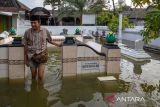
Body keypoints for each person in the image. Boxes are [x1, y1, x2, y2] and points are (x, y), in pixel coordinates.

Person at [23, 15, 62, 82]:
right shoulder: (27, 32)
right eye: (31, 23)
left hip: (42, 56)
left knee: (40, 76)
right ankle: (34, 90)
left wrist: (58, 45)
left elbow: (49, 40)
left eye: (34, 23)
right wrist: (25, 59)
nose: (33, 24)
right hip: (31, 57)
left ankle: (41, 89)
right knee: (33, 76)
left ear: (39, 22)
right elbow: (25, 45)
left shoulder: (45, 31)